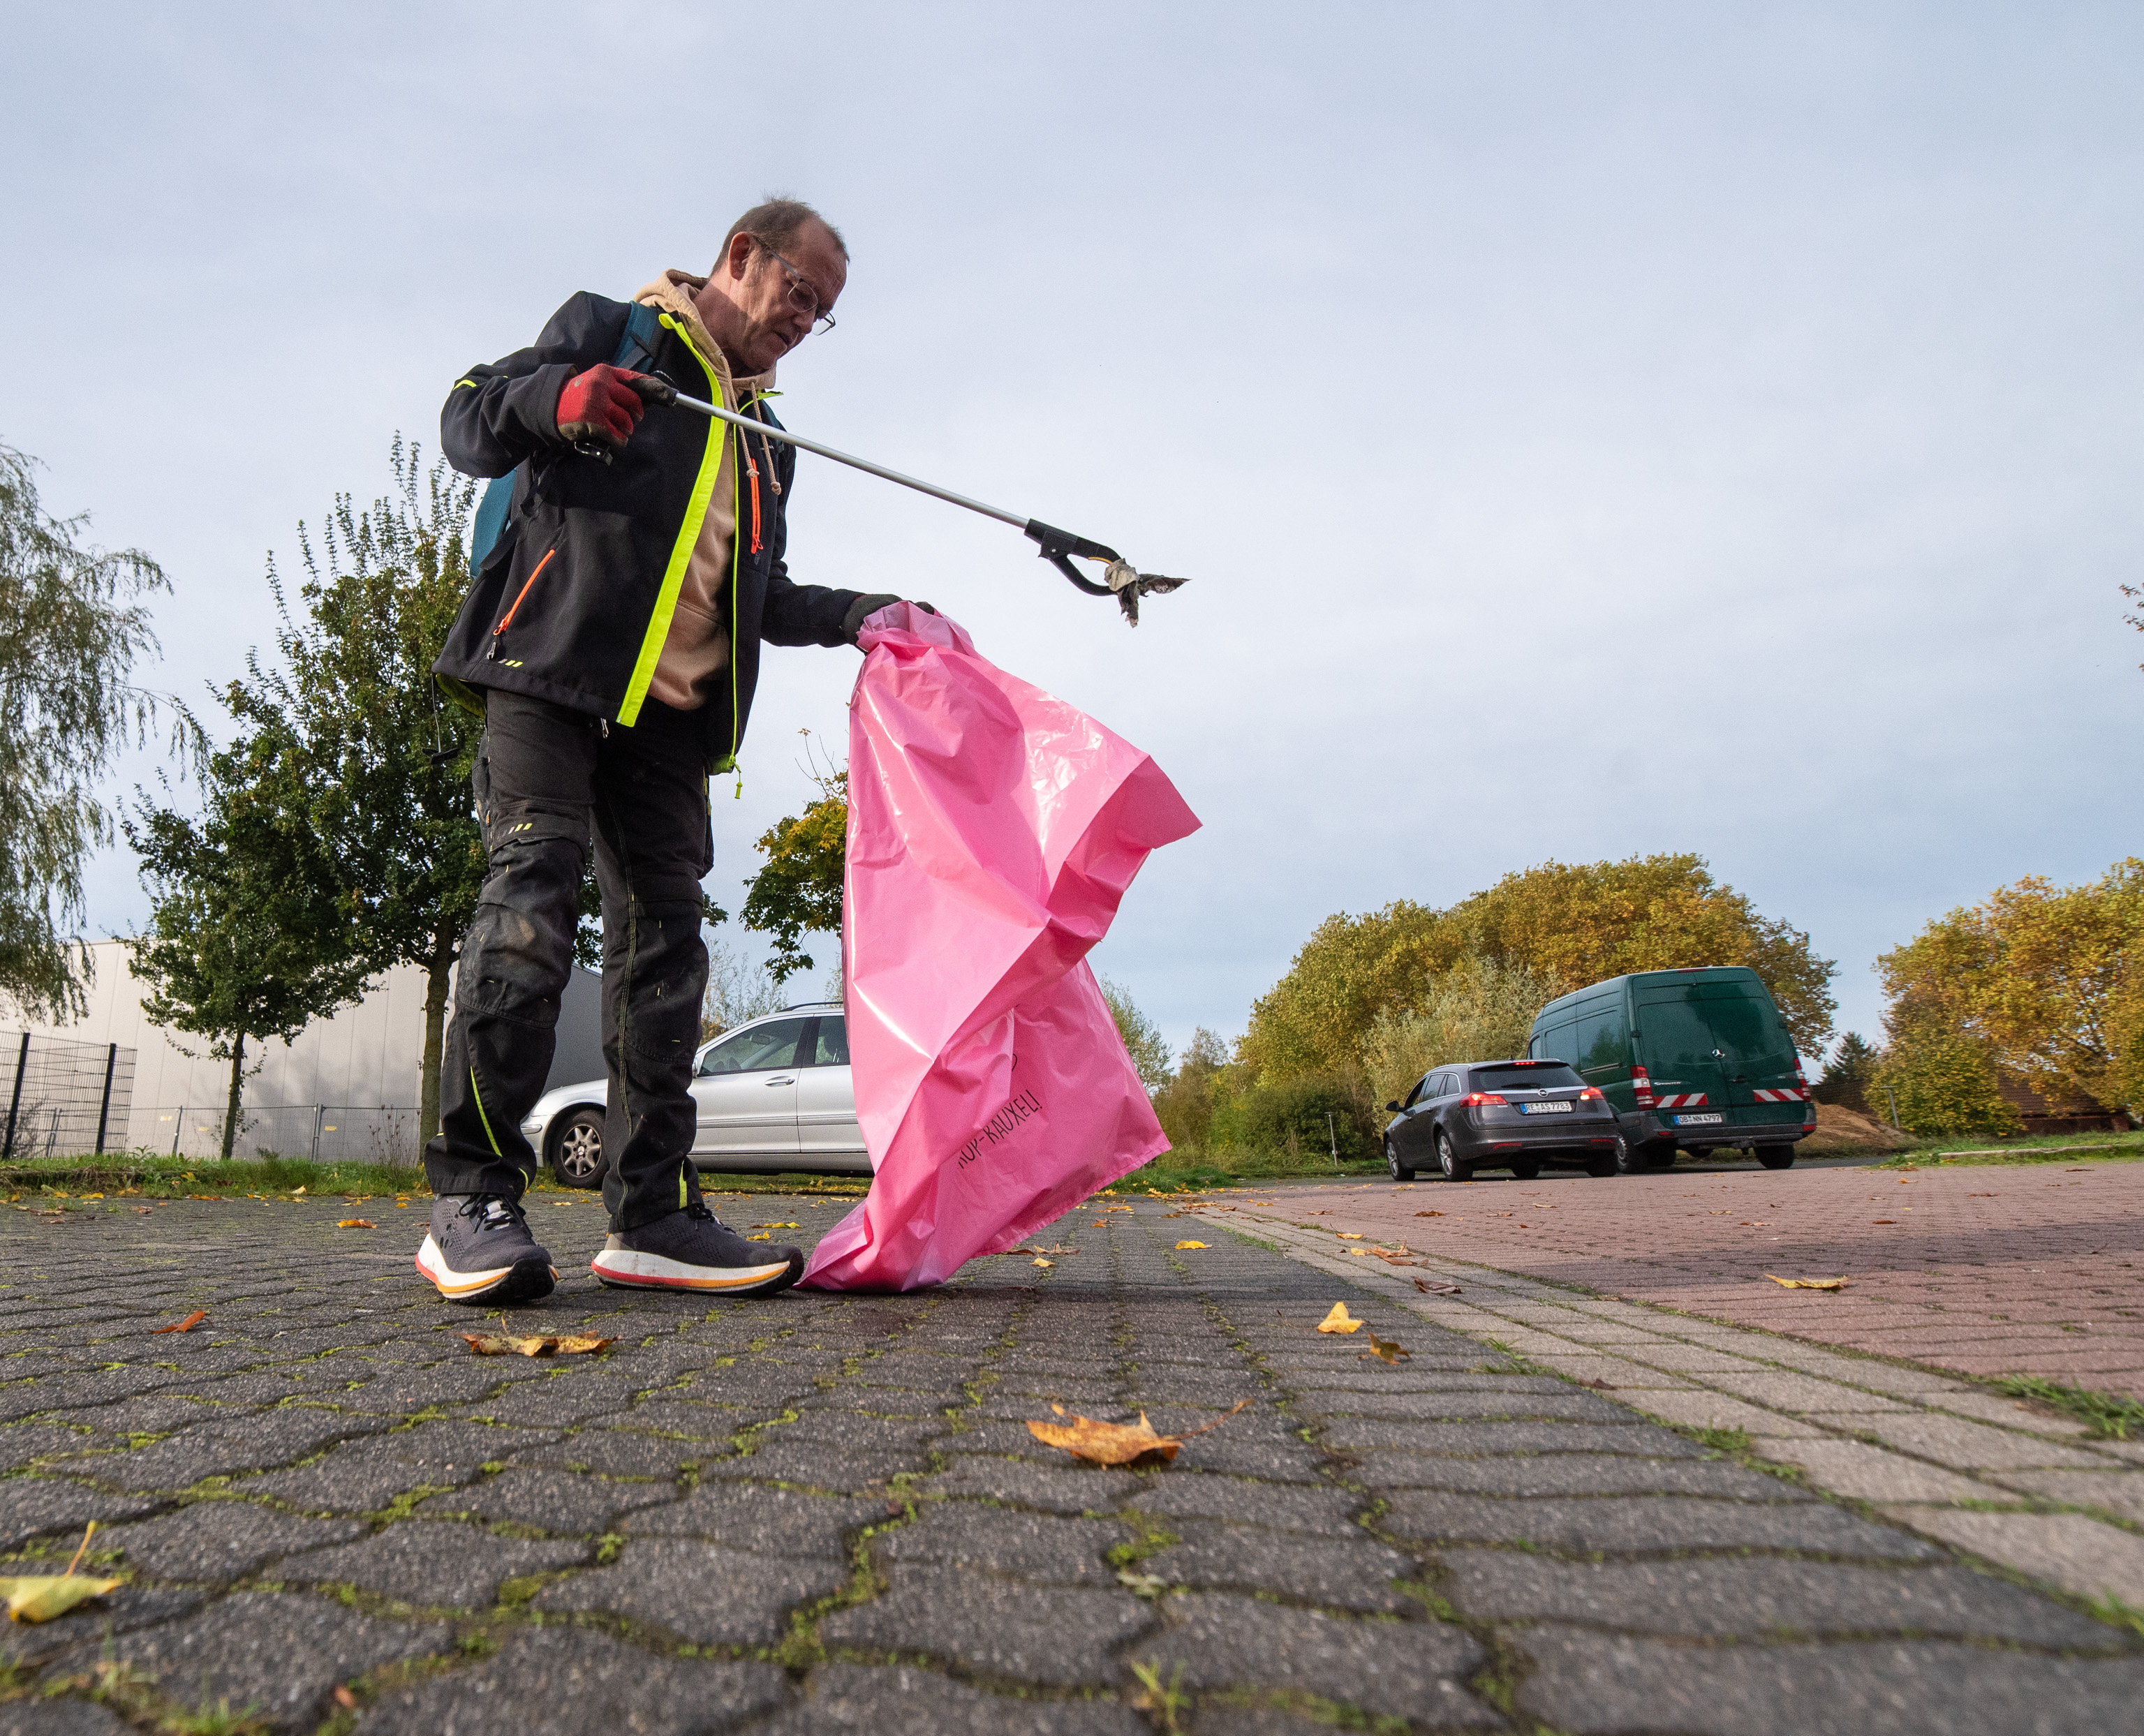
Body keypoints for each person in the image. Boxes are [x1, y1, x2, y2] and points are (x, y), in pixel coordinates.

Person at [418, 198, 916, 1305]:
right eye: (800, 291)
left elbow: (761, 594)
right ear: (742, 256)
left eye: (824, 313)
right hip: (545, 674)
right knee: (530, 907)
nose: (806, 319)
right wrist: (561, 396)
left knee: (666, 960)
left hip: (670, 725)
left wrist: (864, 613)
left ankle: (652, 1216)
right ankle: (472, 1198)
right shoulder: (613, 330)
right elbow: (465, 416)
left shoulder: (770, 445)